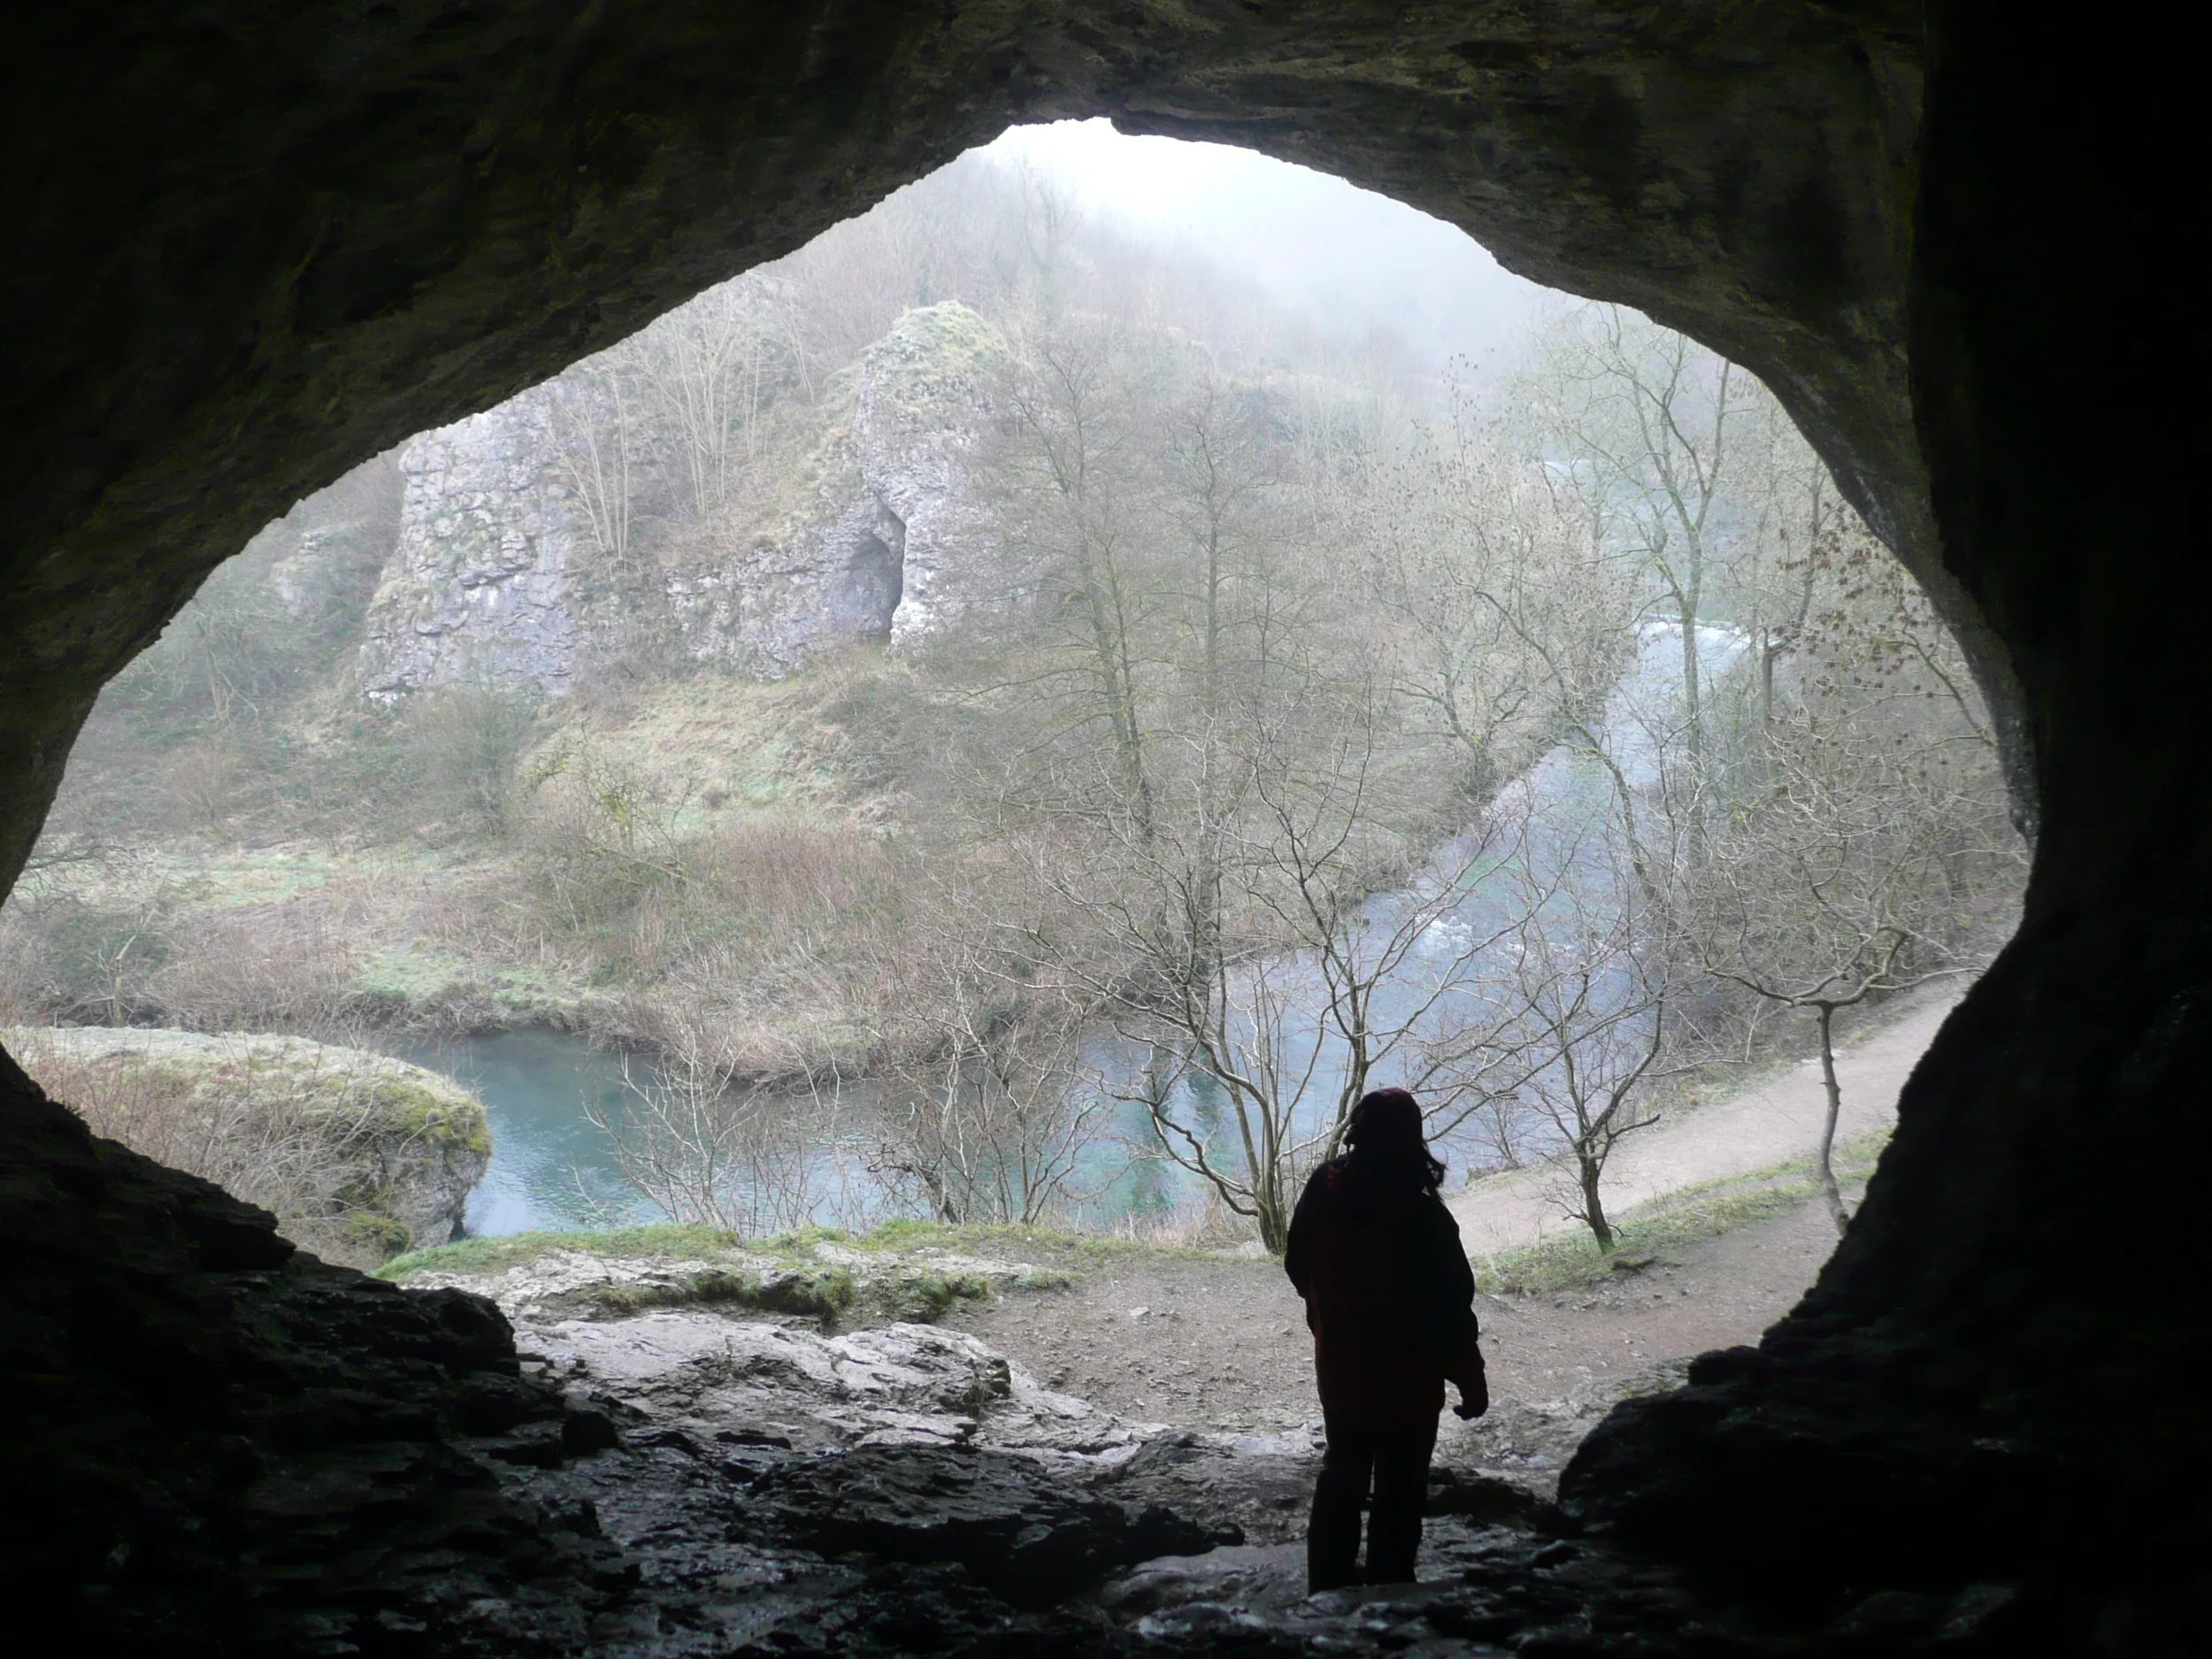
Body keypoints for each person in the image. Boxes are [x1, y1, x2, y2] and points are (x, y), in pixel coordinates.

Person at [1284, 1087, 1487, 1592]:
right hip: (1409, 1383)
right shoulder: (1423, 1216)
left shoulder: (1324, 1186)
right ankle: (1390, 1593)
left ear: (1357, 1133)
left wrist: (1326, 1313)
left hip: (1343, 1369)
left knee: (1342, 1474)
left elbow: (1296, 1261)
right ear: (1413, 1140)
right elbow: (1450, 1313)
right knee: (1401, 1489)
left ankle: (1326, 1590)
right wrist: (1471, 1379)